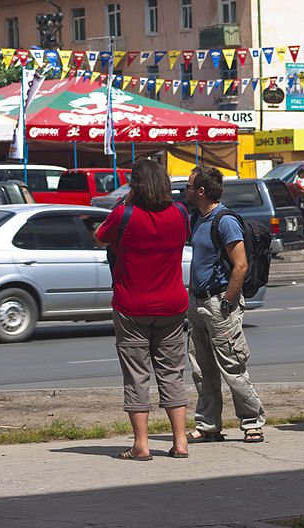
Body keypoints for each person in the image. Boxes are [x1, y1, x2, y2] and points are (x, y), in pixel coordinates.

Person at [94, 159, 190, 461]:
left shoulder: (124, 215)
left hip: (131, 305)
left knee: (137, 375)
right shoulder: (180, 213)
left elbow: (100, 237)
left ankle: (141, 445)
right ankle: (180, 442)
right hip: (173, 304)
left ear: (134, 185)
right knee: (172, 373)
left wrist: (124, 204)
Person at [186, 166, 267, 443]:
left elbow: (240, 265)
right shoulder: (197, 218)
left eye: (188, 187)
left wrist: (227, 301)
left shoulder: (224, 220)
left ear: (201, 191)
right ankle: (209, 425)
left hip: (219, 302)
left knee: (232, 365)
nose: (184, 191)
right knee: (202, 369)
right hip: (197, 302)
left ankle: (252, 422)